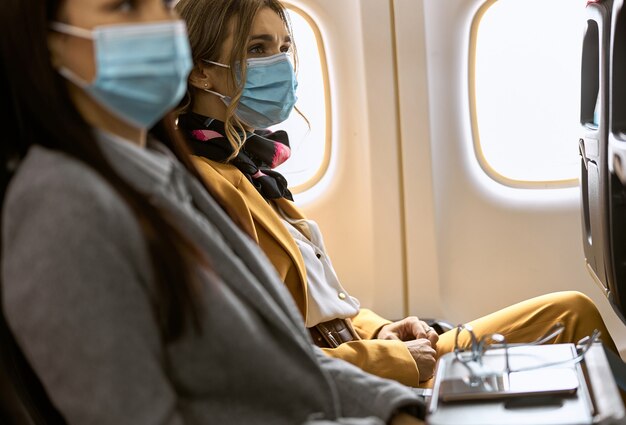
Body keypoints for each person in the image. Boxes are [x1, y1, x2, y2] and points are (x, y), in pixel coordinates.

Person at [0, 0, 427, 423]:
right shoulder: (61, 207)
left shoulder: (164, 172)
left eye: (164, 6)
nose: (161, 26)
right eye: (125, 7)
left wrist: (393, 411)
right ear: (51, 43)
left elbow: (279, 359)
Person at [174, 0, 620, 388]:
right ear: (199, 71)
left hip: (362, 351)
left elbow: (323, 307)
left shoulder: (247, 169)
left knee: (571, 314)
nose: (280, 64)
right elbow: (255, 365)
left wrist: (383, 329)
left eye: (284, 47)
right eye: (257, 49)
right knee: (571, 322)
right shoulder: (206, 188)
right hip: (350, 380)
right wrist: (391, 360)